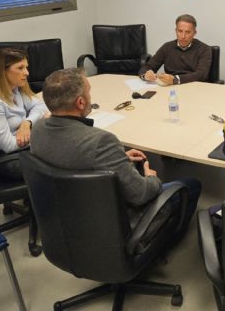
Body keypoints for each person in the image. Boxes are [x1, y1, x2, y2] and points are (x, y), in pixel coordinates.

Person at [31, 68, 201, 238]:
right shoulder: (101, 141)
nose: (91, 97)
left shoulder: (38, 129)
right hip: (109, 223)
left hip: (66, 216)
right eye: (89, 93)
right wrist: (151, 177)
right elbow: (141, 194)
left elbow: (68, 157)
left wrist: (118, 159)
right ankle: (161, 242)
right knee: (191, 185)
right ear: (81, 103)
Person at [0, 48, 48, 179]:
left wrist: (27, 123)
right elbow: (8, 146)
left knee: (65, 148)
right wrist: (41, 134)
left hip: (24, 149)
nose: (26, 73)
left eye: (26, 67)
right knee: (64, 154)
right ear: (2, 71)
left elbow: (40, 105)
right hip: (8, 160)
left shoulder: (15, 90)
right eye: (20, 68)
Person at [140, 14, 212, 85]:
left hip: (195, 87)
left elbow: (201, 74)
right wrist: (146, 75)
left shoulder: (204, 49)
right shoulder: (167, 47)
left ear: (194, 33)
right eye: (180, 31)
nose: (183, 36)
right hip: (170, 88)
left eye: (188, 32)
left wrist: (176, 79)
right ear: (176, 31)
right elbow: (147, 67)